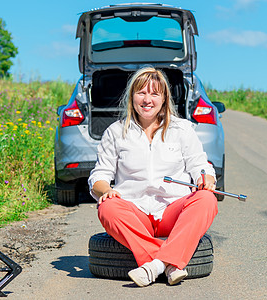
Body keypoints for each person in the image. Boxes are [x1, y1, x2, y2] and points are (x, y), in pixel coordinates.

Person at [88, 67, 218, 287]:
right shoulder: (115, 132)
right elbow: (99, 175)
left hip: (172, 211)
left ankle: (154, 266)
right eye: (141, 93)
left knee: (206, 199)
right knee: (108, 207)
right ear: (132, 97)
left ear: (164, 98)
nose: (147, 99)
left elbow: (200, 166)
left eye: (154, 94)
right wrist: (106, 190)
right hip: (135, 213)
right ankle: (169, 263)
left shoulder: (183, 129)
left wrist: (206, 179)